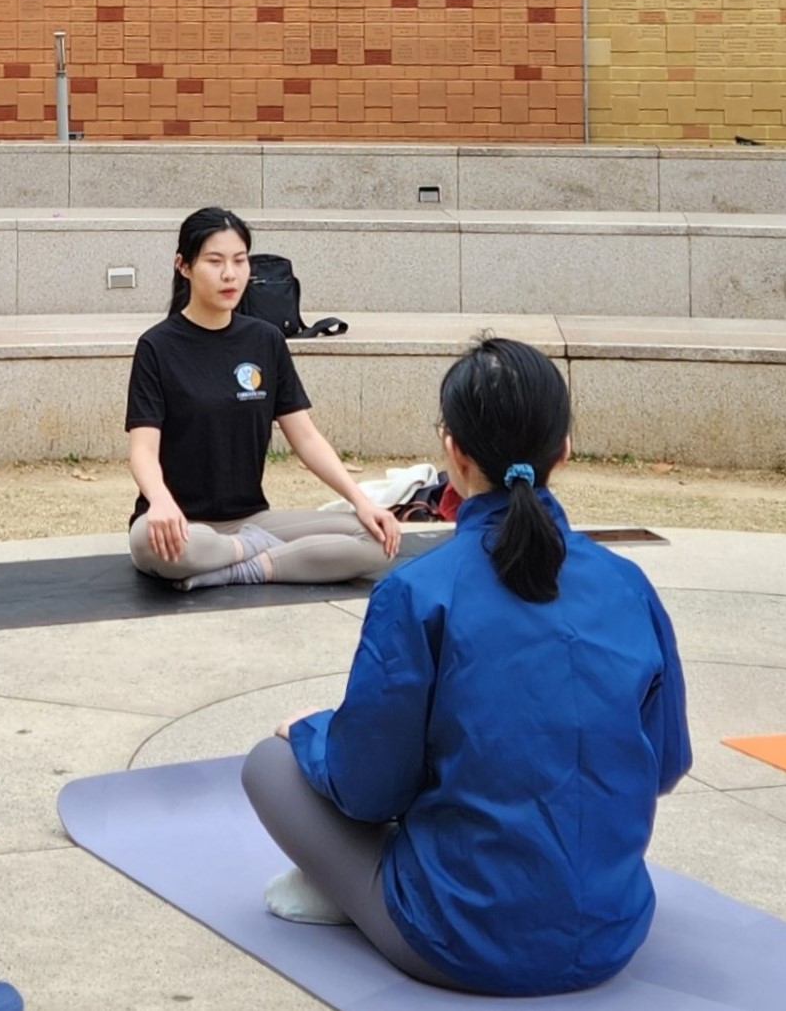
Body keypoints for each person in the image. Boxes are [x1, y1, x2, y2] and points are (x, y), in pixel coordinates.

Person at [240, 337, 692, 996]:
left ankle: (359, 894)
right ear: (563, 449)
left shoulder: (421, 591)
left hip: (458, 938)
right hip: (612, 928)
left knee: (269, 762)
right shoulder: (629, 585)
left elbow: (368, 789)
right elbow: (666, 763)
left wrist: (313, 735)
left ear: (453, 452)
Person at [126, 208, 401, 589]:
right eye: (214, 261)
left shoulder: (265, 340)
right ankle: (257, 554)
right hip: (180, 523)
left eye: (239, 261)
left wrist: (360, 500)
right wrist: (159, 501)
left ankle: (242, 565)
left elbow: (305, 437)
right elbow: (142, 449)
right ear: (183, 266)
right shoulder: (157, 346)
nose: (229, 274)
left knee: (377, 538)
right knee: (159, 546)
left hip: (252, 520)